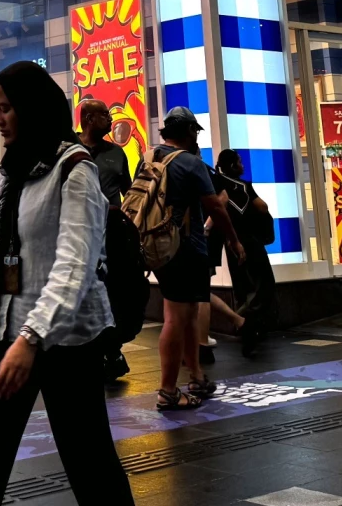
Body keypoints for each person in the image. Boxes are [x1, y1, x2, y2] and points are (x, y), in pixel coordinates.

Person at [0, 61, 133, 506]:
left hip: (66, 341)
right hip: (6, 329)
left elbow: (75, 265)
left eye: (6, 108)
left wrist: (32, 339)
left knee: (90, 463)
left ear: (32, 108)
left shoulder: (75, 170)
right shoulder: (13, 169)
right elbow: (27, 244)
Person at [147, 106, 242, 409]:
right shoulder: (190, 162)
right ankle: (167, 391)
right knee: (177, 318)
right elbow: (215, 207)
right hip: (186, 248)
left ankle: (196, 377)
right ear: (189, 131)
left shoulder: (149, 157)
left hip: (160, 248)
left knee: (186, 316)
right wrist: (234, 240)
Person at [77, 98, 133, 382]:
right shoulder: (69, 149)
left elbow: (129, 192)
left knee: (112, 291)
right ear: (88, 119)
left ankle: (111, 349)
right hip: (78, 233)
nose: (110, 120)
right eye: (104, 115)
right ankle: (100, 350)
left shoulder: (116, 153)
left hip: (111, 233)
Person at [212, 149, 277, 357]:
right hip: (250, 241)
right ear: (233, 165)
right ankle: (248, 324)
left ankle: (241, 321)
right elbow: (262, 207)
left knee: (241, 285)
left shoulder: (217, 183)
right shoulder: (243, 186)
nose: (242, 165)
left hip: (231, 242)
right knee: (262, 284)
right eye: (239, 161)